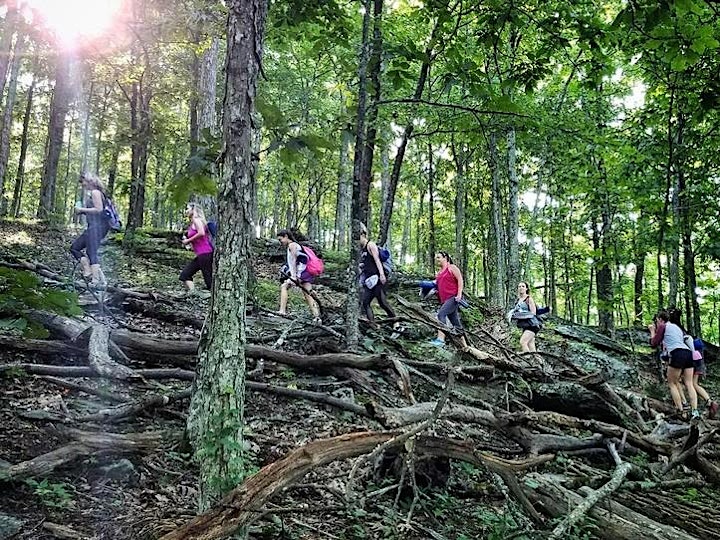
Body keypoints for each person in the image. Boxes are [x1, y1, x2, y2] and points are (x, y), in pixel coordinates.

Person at [667, 309, 718, 418]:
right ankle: (701, 406)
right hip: (695, 359)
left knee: (682, 383)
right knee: (689, 383)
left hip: (687, 359)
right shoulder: (681, 329)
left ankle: (688, 407)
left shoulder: (674, 330)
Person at [649, 309, 698, 419]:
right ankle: (695, 411)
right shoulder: (677, 327)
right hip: (688, 353)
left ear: (660, 320)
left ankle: (680, 410)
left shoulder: (663, 326)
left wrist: (652, 331)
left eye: (657, 321)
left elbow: (654, 343)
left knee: (672, 383)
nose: (656, 324)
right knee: (689, 383)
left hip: (677, 353)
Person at [70, 172, 110, 289]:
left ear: (89, 181)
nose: (82, 185)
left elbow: (99, 209)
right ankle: (90, 272)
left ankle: (95, 280)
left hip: (99, 226)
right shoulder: (95, 193)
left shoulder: (95, 192)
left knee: (91, 251)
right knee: (75, 247)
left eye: (83, 182)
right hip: (94, 226)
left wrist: (81, 209)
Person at [277, 229, 321, 322]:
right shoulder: (297, 245)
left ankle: (282, 311)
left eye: (281, 239)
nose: (280, 242)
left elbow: (293, 262)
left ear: (286, 236)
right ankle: (316, 316)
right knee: (308, 292)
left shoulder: (292, 245)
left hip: (302, 273)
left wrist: (294, 276)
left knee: (284, 286)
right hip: (307, 273)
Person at [358, 225, 396, 323]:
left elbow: (377, 260)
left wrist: (382, 275)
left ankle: (396, 323)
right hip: (370, 281)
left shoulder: (370, 245)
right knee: (365, 303)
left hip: (378, 279)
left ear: (363, 234)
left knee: (382, 302)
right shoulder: (361, 249)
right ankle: (373, 325)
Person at [430, 251, 466, 347]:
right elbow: (439, 286)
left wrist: (459, 294)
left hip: (453, 297)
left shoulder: (452, 268)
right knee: (456, 323)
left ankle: (441, 340)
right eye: (436, 258)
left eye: (438, 257)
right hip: (444, 300)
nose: (436, 259)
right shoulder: (439, 273)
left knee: (441, 314)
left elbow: (460, 280)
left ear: (445, 257)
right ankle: (465, 346)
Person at [179, 203, 213, 294]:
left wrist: (188, 240)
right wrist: (190, 244)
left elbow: (201, 233)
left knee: (209, 279)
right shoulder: (194, 222)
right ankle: (193, 294)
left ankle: (214, 299)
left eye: (188, 209)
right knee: (185, 275)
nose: (186, 211)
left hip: (206, 253)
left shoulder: (197, 220)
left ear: (193, 210)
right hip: (201, 254)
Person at [511, 282, 541, 353]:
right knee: (531, 345)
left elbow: (533, 312)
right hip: (525, 325)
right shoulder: (518, 301)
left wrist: (522, 314)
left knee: (523, 342)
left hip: (532, 324)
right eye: (519, 286)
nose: (521, 288)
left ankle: (528, 360)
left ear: (526, 288)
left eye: (523, 286)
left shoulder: (529, 298)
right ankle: (538, 362)